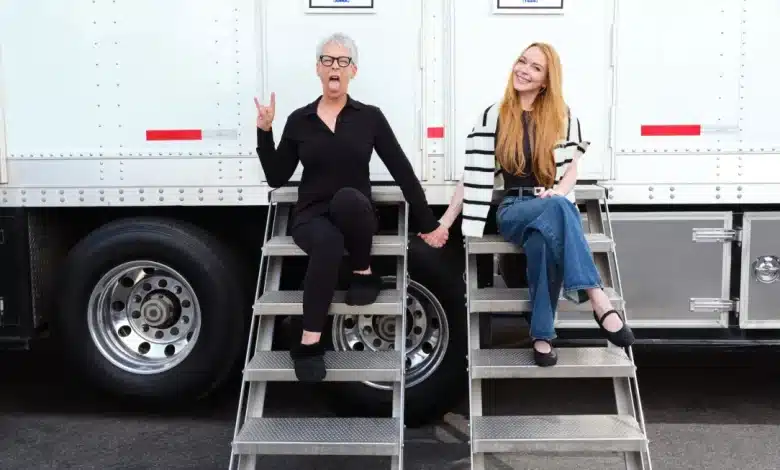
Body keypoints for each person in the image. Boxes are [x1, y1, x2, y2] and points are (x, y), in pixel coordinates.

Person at [254, 32, 447, 382]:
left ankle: (362, 271)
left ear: (353, 71)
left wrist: (427, 221)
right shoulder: (300, 120)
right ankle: (310, 342)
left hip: (354, 213)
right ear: (318, 68)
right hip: (311, 216)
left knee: (347, 199)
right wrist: (264, 133)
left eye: (342, 62)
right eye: (327, 60)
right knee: (326, 243)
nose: (334, 67)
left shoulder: (369, 117)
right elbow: (276, 177)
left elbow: (401, 169)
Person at [435, 42, 635, 367]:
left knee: (544, 240)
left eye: (535, 67)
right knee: (560, 209)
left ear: (546, 80)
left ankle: (542, 336)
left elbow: (571, 170)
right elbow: (472, 174)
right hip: (513, 208)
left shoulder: (561, 117)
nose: (524, 70)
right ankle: (598, 298)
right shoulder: (495, 115)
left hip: (548, 202)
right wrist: (445, 222)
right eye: (522, 61)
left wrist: (556, 191)